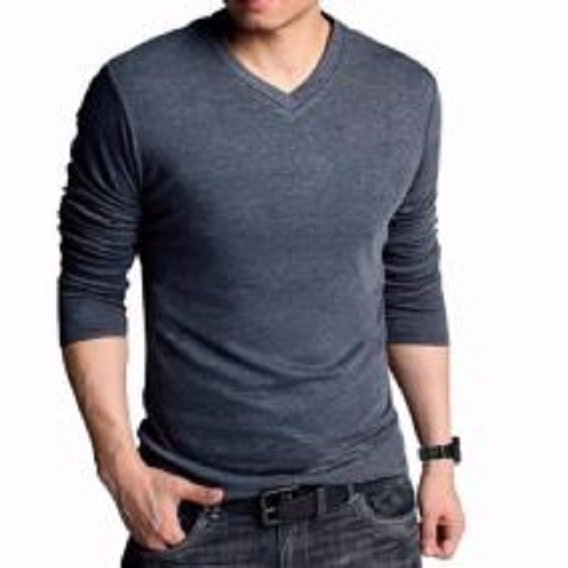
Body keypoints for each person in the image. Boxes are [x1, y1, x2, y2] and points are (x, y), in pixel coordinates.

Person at [56, 1, 466, 566]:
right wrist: (121, 470)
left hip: (364, 511)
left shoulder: (405, 92)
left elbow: (410, 281)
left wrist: (439, 460)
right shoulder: (135, 91)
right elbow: (91, 287)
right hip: (193, 517)